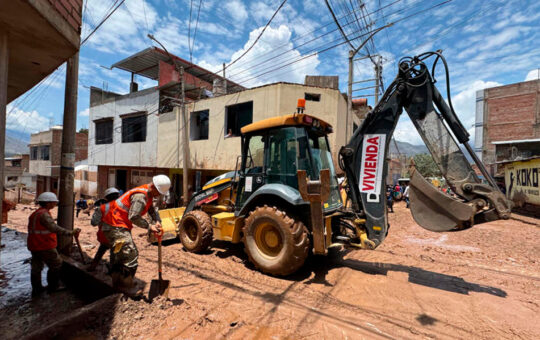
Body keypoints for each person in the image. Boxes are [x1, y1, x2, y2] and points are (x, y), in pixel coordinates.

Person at [101, 175, 171, 293]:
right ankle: (126, 286)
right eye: (158, 192)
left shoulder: (148, 194)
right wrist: (149, 226)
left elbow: (151, 210)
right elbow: (133, 216)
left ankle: (116, 283)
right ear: (153, 186)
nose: (159, 195)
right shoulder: (140, 197)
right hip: (114, 224)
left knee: (118, 254)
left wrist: (157, 221)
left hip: (117, 223)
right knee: (130, 254)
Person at [28, 192, 81, 297]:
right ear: (48, 203)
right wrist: (70, 232)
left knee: (36, 267)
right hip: (44, 245)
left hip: (34, 244)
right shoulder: (44, 215)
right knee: (56, 263)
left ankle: (37, 289)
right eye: (53, 202)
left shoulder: (37, 213)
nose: (54, 204)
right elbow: (54, 228)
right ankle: (53, 286)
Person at [88, 187, 120, 272]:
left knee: (101, 250)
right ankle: (112, 272)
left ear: (106, 197)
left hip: (105, 236)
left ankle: (92, 267)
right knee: (115, 255)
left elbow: (93, 222)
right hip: (119, 238)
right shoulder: (124, 208)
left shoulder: (102, 208)